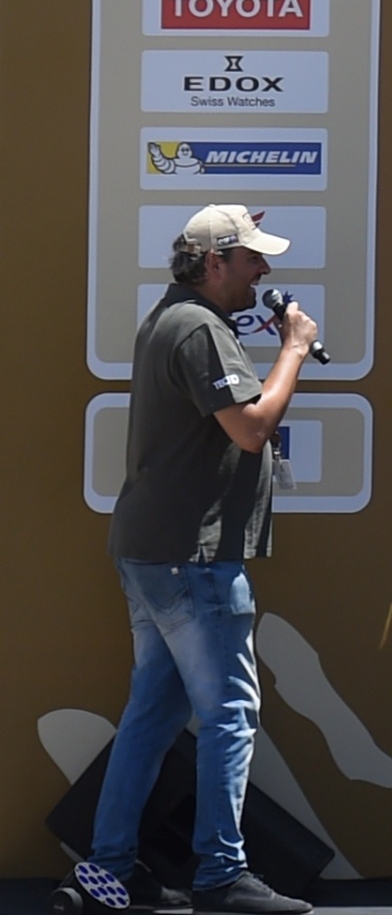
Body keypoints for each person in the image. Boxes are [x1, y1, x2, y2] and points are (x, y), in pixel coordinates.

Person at [80, 205, 319, 914]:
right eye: (252, 259)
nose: (265, 271)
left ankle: (108, 872)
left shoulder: (177, 320)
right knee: (231, 711)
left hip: (157, 551)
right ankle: (219, 874)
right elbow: (251, 429)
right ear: (214, 263)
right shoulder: (197, 328)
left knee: (153, 712)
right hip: (190, 557)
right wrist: (295, 350)